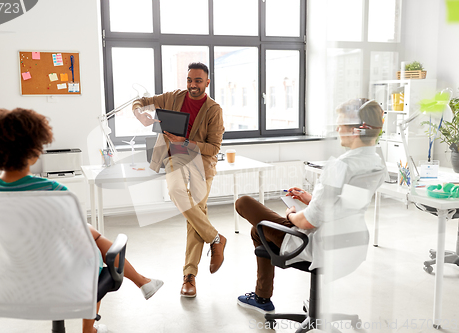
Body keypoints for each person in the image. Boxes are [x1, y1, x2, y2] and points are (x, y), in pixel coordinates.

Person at [0, 108, 164, 333]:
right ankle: (91, 328)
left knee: (88, 235)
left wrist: (2, 225)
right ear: (35, 151)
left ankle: (143, 283)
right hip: (68, 280)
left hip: (15, 287)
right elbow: (76, 239)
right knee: (93, 243)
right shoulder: (54, 190)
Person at [235, 98, 386, 314]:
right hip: (353, 242)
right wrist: (312, 198)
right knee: (259, 231)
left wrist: (291, 214)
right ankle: (262, 296)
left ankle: (261, 298)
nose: (337, 129)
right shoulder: (376, 163)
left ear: (356, 131)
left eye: (341, 124)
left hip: (317, 243)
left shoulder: (339, 166)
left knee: (244, 203)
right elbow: (346, 203)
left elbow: (307, 221)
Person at [132, 62, 226, 297]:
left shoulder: (214, 110)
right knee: (176, 191)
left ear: (207, 82)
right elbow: (141, 102)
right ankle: (215, 238)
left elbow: (213, 148)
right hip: (176, 159)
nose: (192, 85)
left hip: (201, 164)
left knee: (195, 214)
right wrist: (139, 114)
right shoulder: (174, 97)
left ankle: (189, 276)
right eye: (189, 80)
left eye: (198, 81)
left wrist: (183, 142)